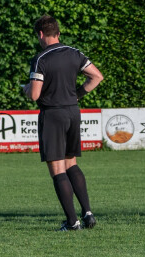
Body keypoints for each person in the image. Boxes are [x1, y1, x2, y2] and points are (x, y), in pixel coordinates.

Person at [23, 15, 104, 231]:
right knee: (72, 163)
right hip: (72, 112)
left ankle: (72, 222)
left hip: (52, 114)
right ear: (58, 33)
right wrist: (76, 95)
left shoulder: (41, 58)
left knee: (58, 169)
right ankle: (87, 213)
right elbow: (96, 76)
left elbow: (34, 95)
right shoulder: (74, 53)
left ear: (41, 34)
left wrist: (26, 89)